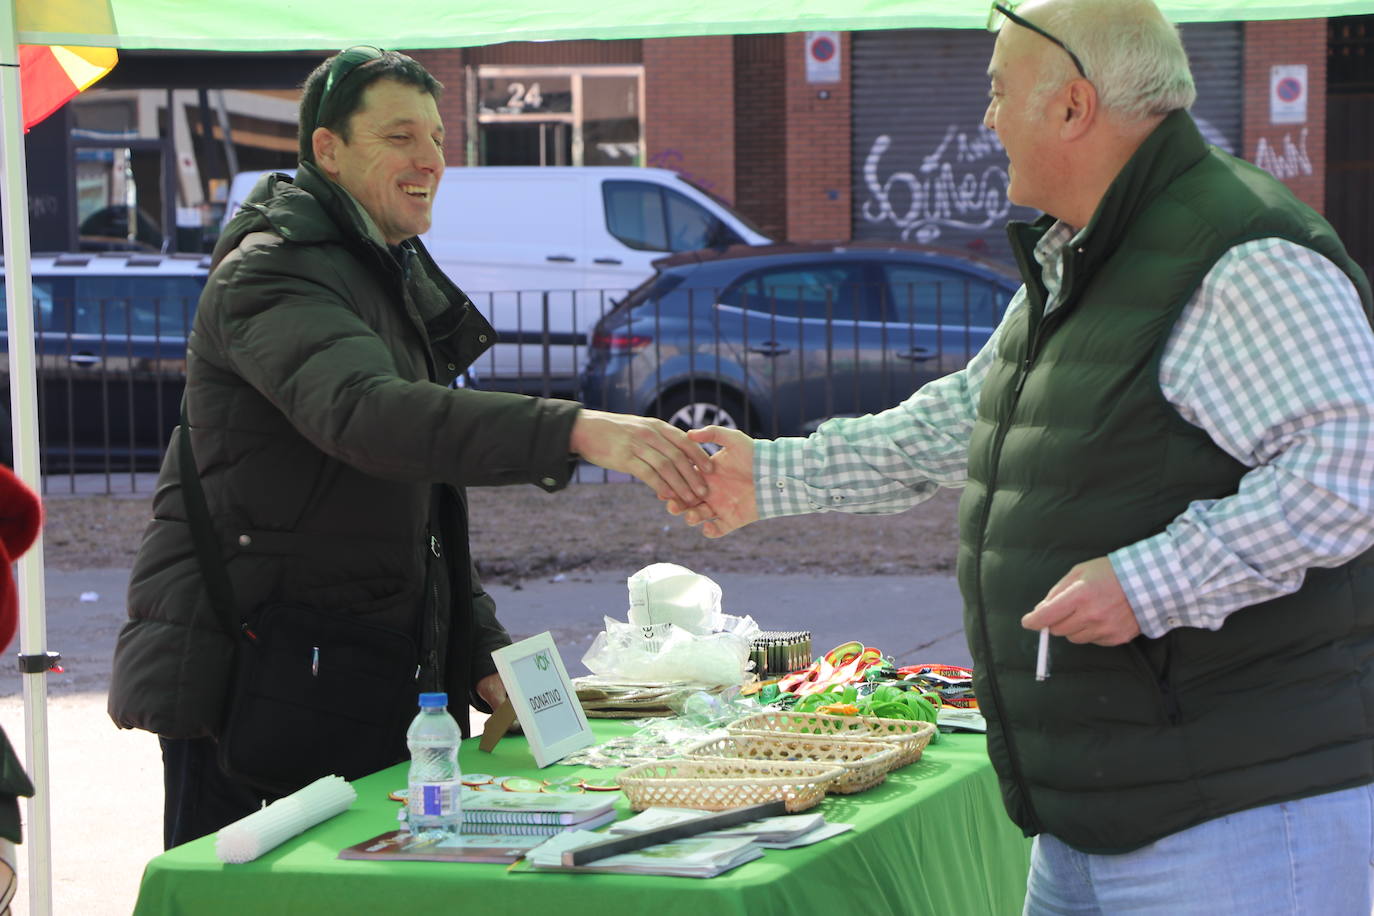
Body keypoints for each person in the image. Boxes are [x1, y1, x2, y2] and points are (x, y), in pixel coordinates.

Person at [672, 0, 1374, 911]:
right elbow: (966, 419)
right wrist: (767, 476)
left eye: (1000, 93)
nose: (987, 120)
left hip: (1232, 818)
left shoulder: (1236, 252)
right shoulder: (1083, 255)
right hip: (1098, 814)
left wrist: (1148, 582)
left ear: (1074, 106)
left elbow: (1348, 471)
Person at [106, 47, 710, 849]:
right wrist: (572, 427)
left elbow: (414, 521)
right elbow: (370, 418)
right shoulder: (274, 270)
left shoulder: (377, 269)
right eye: (399, 136)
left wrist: (481, 653)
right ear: (328, 150)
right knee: (238, 895)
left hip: (343, 671)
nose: (430, 159)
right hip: (253, 679)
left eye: (435, 135)